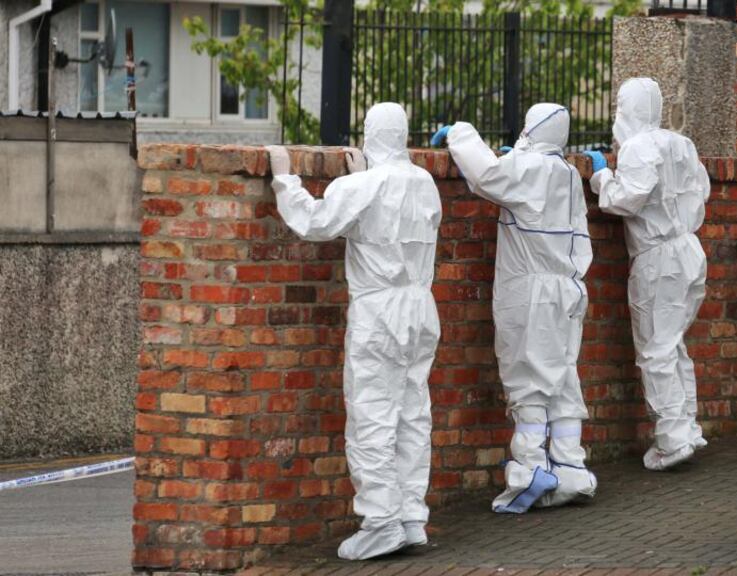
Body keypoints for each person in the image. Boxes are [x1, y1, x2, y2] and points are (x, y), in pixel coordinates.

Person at [265, 102, 442, 560]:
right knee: (411, 414)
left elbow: (316, 222)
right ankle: (410, 515)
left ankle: (381, 521)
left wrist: (286, 179)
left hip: (380, 309)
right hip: (421, 305)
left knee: (372, 416)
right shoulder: (424, 183)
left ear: (370, 134)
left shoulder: (363, 184)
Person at [431, 103, 597, 513]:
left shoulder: (529, 170)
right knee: (561, 379)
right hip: (569, 289)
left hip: (531, 290)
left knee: (527, 380)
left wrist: (460, 133)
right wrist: (518, 157)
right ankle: (571, 468)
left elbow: (486, 175)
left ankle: (529, 470)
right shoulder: (568, 174)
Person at [583, 78, 711, 471]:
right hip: (689, 247)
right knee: (673, 345)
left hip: (658, 257)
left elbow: (627, 200)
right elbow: (701, 189)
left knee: (656, 348)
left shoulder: (638, 148)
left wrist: (603, 177)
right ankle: (686, 426)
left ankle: (673, 440)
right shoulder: (680, 143)